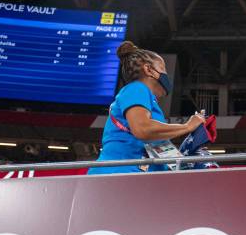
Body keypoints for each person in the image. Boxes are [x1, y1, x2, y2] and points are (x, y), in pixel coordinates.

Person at [88, 41, 205, 174]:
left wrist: (185, 161)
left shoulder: (148, 100)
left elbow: (157, 146)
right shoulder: (137, 88)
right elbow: (142, 129)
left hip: (137, 177)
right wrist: (187, 127)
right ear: (149, 70)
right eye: (163, 68)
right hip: (119, 174)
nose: (166, 74)